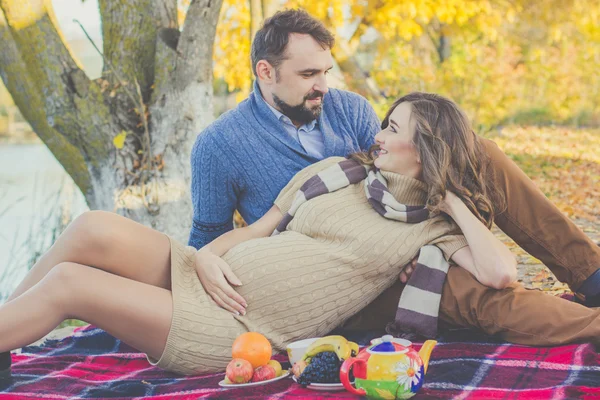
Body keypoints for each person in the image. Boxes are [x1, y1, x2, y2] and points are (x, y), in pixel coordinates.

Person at [1, 93, 600, 380]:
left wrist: (451, 201)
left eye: (392, 130)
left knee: (70, 285)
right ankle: (7, 343)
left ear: (425, 151)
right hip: (213, 278)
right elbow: (257, 230)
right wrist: (206, 259)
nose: (376, 135)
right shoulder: (332, 175)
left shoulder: (433, 225)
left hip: (234, 324)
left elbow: (498, 273)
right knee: (89, 230)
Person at [187, 8, 600, 314]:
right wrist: (196, 283)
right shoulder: (219, 145)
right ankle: (584, 325)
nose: (323, 87)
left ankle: (591, 276)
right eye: (309, 74)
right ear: (266, 71)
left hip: (402, 231)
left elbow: (399, 172)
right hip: (334, 275)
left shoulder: (348, 108)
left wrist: (424, 239)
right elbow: (207, 239)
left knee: (480, 152)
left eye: (326, 72)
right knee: (469, 293)